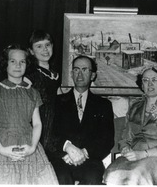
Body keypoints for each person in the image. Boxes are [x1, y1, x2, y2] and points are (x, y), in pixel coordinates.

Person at [0, 44, 58, 184]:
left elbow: (37, 123)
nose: (18, 65)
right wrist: (1, 149)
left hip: (28, 144)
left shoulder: (33, 93)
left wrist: (33, 147)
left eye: (22, 61)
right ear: (5, 64)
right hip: (2, 144)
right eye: (13, 61)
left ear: (27, 64)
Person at [103, 64, 157, 185]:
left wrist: (143, 154)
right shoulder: (135, 107)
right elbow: (125, 137)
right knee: (112, 175)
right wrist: (125, 148)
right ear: (141, 85)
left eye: (154, 80)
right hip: (132, 154)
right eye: (146, 80)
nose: (150, 84)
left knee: (136, 176)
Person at [46, 55, 114, 184]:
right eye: (76, 70)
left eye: (84, 69)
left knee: (92, 179)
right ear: (71, 74)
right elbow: (50, 135)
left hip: (90, 160)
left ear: (93, 75)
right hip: (62, 159)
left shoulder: (103, 105)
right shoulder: (57, 102)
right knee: (61, 178)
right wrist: (66, 151)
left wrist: (84, 153)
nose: (80, 74)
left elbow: (107, 139)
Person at [25, 30, 61, 149]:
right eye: (39, 46)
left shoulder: (55, 75)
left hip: (53, 128)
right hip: (36, 128)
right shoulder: (30, 76)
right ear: (31, 51)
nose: (45, 49)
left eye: (47, 45)